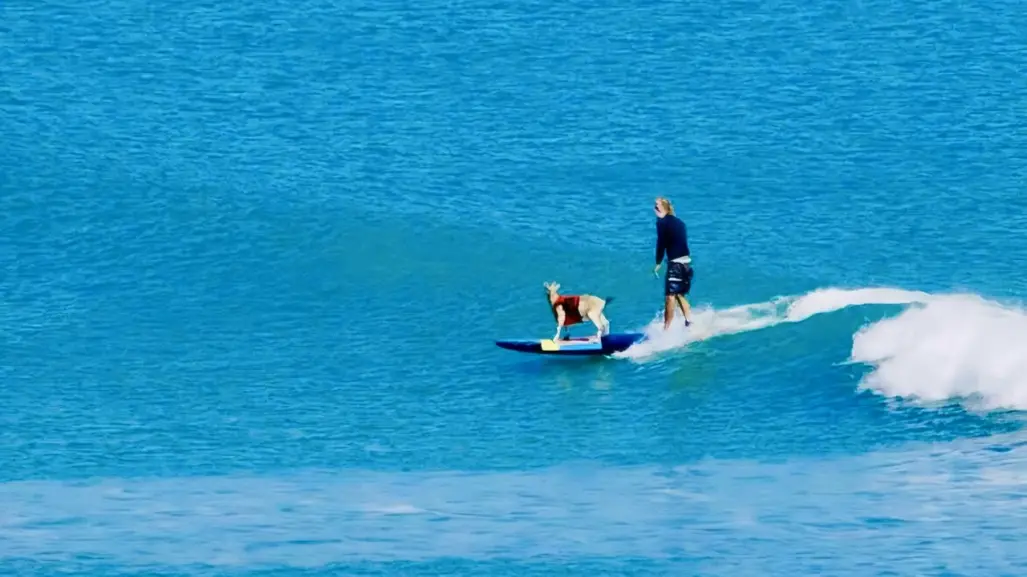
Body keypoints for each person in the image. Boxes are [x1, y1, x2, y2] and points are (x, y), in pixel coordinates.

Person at [652, 196, 693, 329]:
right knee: (679, 294)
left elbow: (661, 243)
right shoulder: (680, 222)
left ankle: (666, 330)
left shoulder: (661, 222)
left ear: (663, 208)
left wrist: (658, 262)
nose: (654, 208)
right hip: (686, 263)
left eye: (656, 206)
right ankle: (689, 321)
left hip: (676, 264)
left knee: (670, 296)